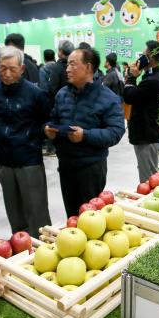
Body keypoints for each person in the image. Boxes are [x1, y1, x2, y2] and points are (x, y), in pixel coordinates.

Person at [45, 48, 125, 217]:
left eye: (72, 64)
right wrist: (50, 131)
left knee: (91, 218)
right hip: (66, 166)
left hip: (91, 169)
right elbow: (53, 119)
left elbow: (116, 132)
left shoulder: (108, 97)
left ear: (88, 67)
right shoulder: (62, 94)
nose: (67, 69)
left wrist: (85, 135)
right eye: (67, 64)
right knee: (72, 217)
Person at [0, 46, 52, 236]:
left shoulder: (35, 93)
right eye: (2, 68)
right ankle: (20, 249)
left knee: (36, 212)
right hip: (5, 161)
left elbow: (44, 120)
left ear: (22, 69)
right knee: (14, 212)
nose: (6, 73)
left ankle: (42, 249)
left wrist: (33, 138)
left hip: (29, 159)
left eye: (12, 69)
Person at [124, 40, 159, 182]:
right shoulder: (154, 76)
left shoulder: (153, 80)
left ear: (150, 57)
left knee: (148, 181)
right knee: (148, 174)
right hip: (151, 133)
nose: (140, 58)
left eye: (143, 55)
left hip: (147, 136)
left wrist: (131, 77)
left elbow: (129, 96)